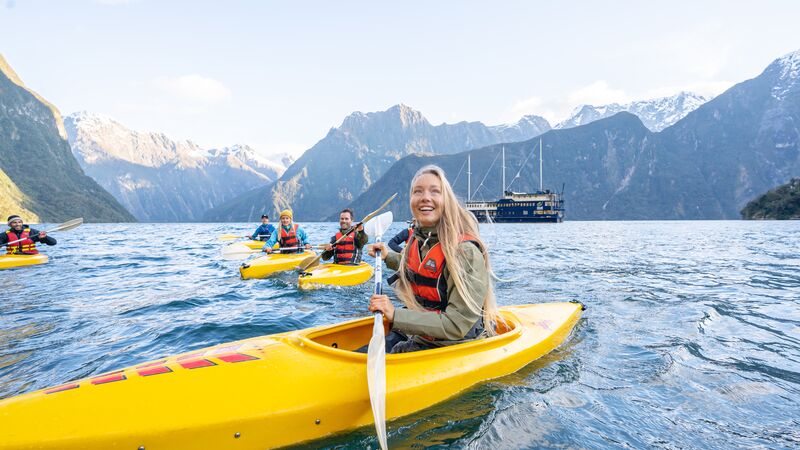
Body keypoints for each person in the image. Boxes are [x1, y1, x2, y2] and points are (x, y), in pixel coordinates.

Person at [368, 165, 499, 354]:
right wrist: (388, 256)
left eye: (434, 191)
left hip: (457, 344)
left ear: (446, 200)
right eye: (417, 191)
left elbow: (456, 324)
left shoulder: (465, 251)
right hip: (425, 336)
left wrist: (395, 314)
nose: (425, 197)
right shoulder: (420, 240)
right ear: (411, 200)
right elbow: (420, 270)